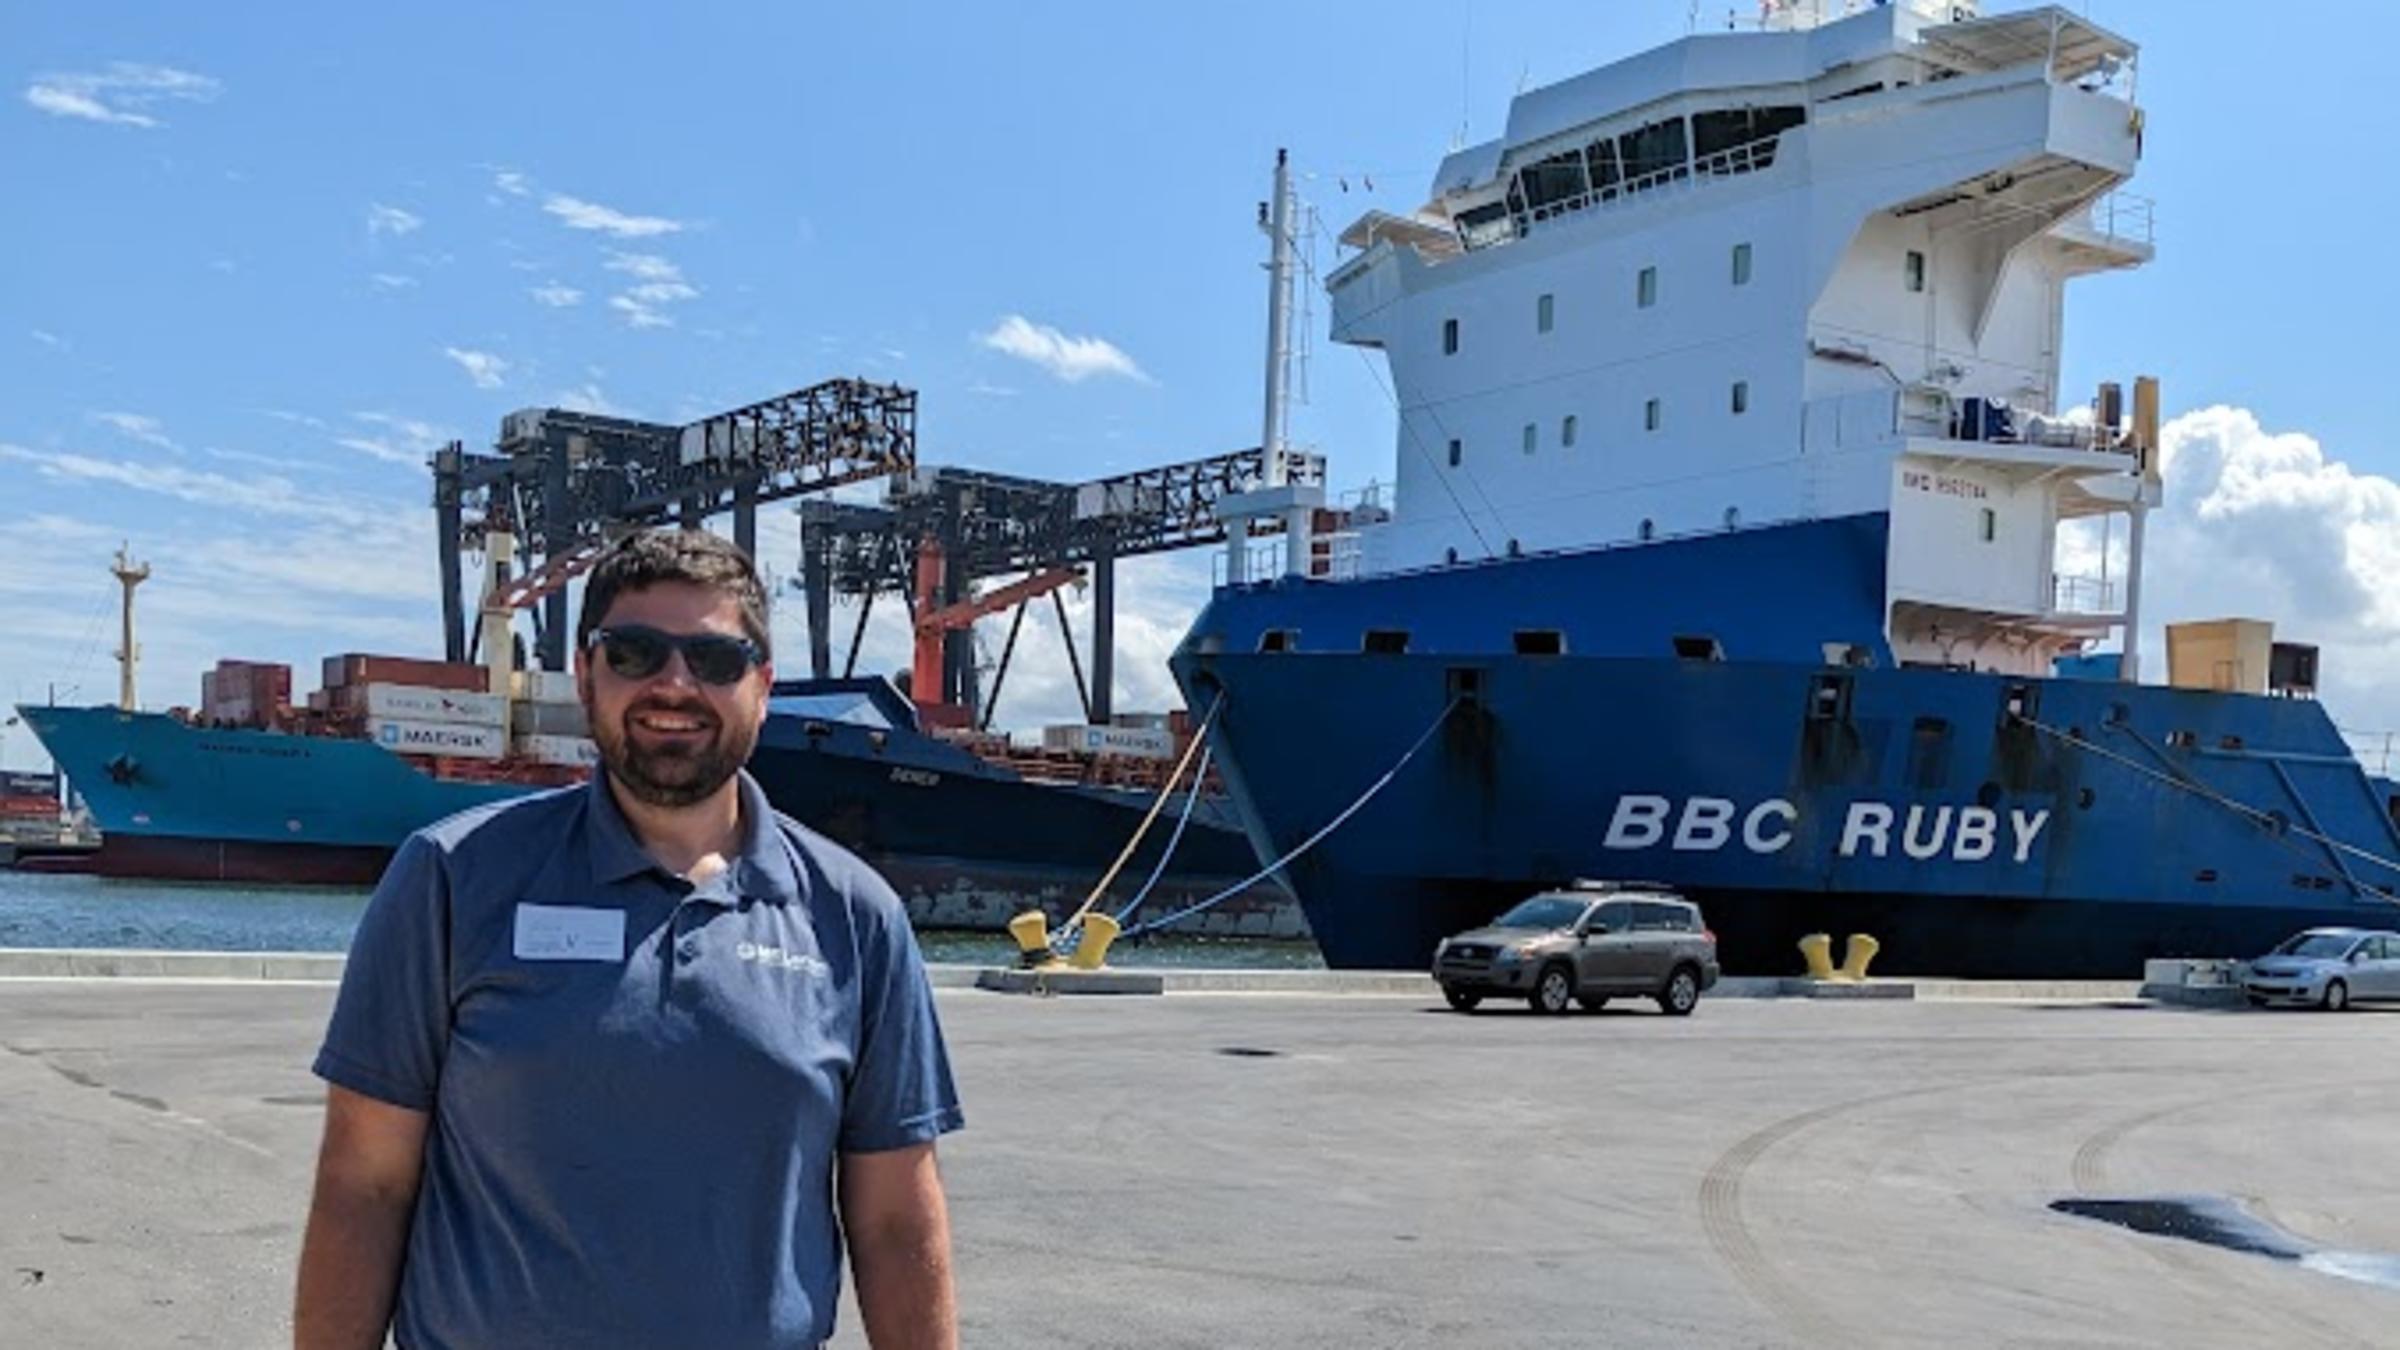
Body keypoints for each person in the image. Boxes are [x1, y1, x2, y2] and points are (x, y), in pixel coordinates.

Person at [294, 528, 962, 1349]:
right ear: (584, 673)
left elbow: (897, 1219)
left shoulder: (856, 915)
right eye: (635, 652)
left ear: (763, 686)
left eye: (715, 660)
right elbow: (364, 1185)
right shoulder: (451, 879)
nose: (674, 684)